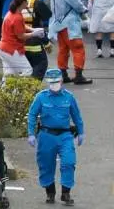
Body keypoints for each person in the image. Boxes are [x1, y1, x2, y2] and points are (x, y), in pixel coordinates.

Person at [27, 68, 84, 205]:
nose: (54, 85)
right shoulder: (41, 97)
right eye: (51, 82)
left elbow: (76, 116)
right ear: (47, 82)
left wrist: (81, 132)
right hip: (46, 135)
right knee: (46, 165)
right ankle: (50, 193)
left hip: (65, 135)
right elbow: (32, 115)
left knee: (69, 163)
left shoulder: (69, 97)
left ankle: (66, 193)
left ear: (62, 81)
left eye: (57, 82)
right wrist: (31, 133)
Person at [47, 0, 92, 84]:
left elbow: (48, 2)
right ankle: (78, 76)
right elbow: (77, 4)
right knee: (78, 48)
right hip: (70, 24)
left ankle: (63, 75)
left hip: (58, 24)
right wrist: (85, 11)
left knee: (63, 49)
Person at [0, 0, 43, 80]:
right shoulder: (17, 17)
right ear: (23, 3)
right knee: (27, 71)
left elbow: (20, 26)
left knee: (9, 74)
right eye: (26, 1)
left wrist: (31, 29)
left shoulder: (13, 12)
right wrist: (34, 34)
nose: (28, 2)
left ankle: (7, 92)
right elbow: (21, 36)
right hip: (11, 49)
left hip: (3, 48)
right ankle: (19, 91)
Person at [21, 0, 52, 80]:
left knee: (28, 70)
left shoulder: (18, 1)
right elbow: (47, 15)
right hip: (35, 43)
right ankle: (32, 91)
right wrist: (47, 42)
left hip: (22, 43)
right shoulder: (37, 2)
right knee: (40, 66)